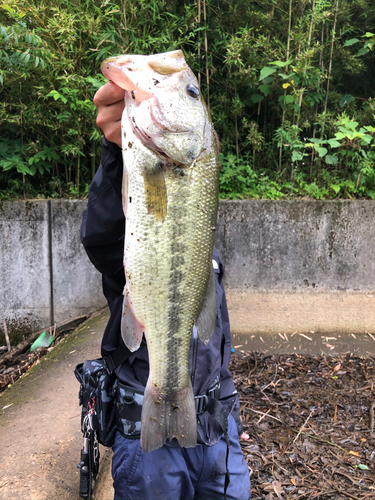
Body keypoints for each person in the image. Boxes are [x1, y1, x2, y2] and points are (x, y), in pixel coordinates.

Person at [80, 81, 251, 500]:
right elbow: (102, 236)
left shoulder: (200, 249)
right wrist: (119, 155)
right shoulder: (139, 233)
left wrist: (229, 414)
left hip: (217, 434)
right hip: (150, 443)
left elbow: (215, 334)